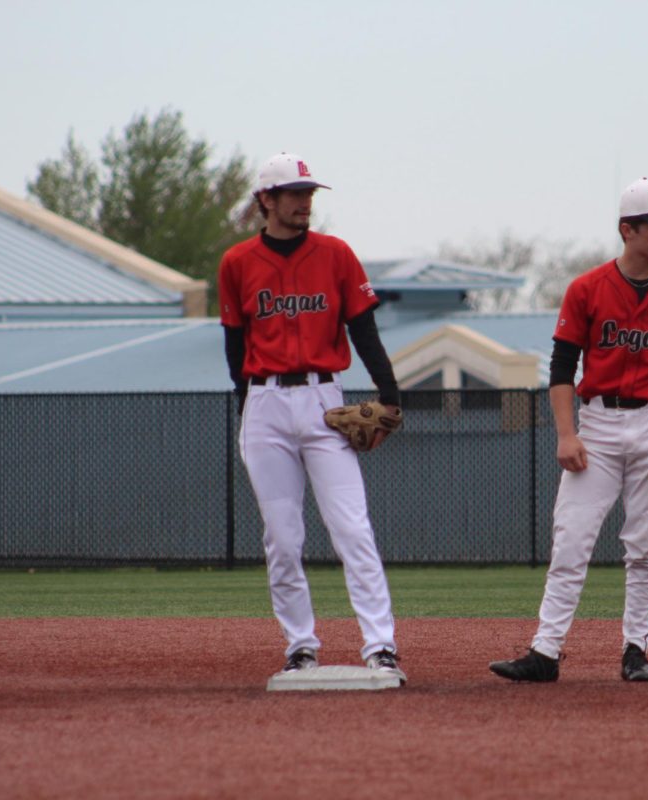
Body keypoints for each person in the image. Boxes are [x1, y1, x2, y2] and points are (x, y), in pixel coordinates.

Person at [489, 177, 648, 683]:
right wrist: (567, 435)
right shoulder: (587, 289)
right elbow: (562, 365)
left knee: (646, 545)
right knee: (571, 540)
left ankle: (636, 651)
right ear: (626, 230)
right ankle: (545, 653)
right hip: (599, 425)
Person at [218, 152, 406, 684]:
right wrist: (248, 407)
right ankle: (301, 645)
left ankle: (380, 645)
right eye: (294, 193)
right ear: (266, 201)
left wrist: (389, 394)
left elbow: (365, 333)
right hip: (265, 403)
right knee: (282, 537)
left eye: (309, 193)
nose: (304, 202)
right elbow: (234, 344)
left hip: (326, 401)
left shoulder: (336, 254)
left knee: (352, 528)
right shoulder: (237, 263)